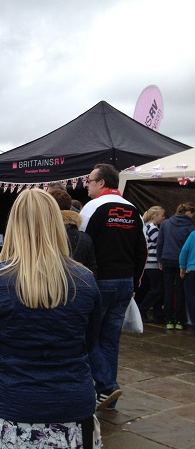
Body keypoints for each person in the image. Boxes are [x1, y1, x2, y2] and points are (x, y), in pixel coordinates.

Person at [0, 189, 102, 448]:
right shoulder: (84, 280)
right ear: (56, 222)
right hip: (71, 410)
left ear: (14, 226)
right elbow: (90, 341)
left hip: (9, 407)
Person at [79, 163, 146, 410]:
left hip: (100, 282)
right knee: (110, 339)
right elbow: (142, 252)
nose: (86, 184)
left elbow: (81, 247)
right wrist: (134, 284)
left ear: (102, 183)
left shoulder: (92, 208)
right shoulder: (134, 210)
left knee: (87, 336)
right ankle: (107, 396)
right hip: (125, 283)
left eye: (90, 180)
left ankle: (106, 385)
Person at [157, 202, 195, 330]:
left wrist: (159, 259)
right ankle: (179, 320)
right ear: (188, 212)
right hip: (181, 262)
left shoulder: (166, 223)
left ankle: (168, 319)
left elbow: (160, 242)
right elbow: (188, 248)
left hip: (167, 259)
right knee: (180, 291)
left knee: (168, 290)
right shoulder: (190, 227)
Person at [49, 189, 97, 274]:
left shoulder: (42, 235)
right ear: (70, 207)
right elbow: (92, 270)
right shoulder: (85, 238)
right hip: (79, 284)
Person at [138, 206, 166, 324]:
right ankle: (142, 309)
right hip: (152, 263)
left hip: (150, 263)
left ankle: (156, 312)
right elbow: (160, 243)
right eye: (162, 215)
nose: (164, 218)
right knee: (157, 289)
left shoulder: (149, 226)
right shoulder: (153, 228)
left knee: (155, 288)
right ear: (155, 216)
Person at [179, 230, 195, 334]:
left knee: (191, 298)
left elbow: (184, 250)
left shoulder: (193, 234)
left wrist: (182, 267)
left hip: (192, 271)